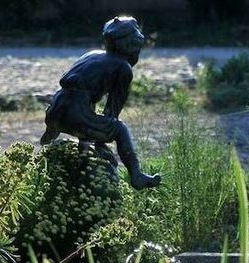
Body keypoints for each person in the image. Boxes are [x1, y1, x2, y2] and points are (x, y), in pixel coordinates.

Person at [40, 16, 161, 189]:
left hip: (55, 109)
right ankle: (136, 175)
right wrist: (101, 141)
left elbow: (75, 84)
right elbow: (112, 111)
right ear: (132, 46)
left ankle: (61, 142)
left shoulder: (92, 54)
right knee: (119, 129)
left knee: (88, 117)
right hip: (76, 113)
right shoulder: (123, 68)